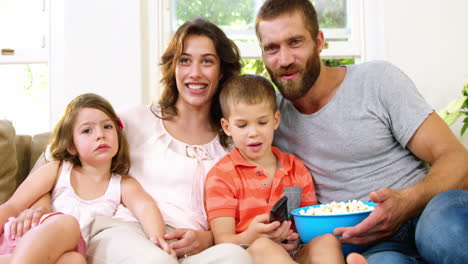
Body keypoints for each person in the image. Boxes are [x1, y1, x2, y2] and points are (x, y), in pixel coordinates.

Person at [8, 18, 253, 264]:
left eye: (207, 61)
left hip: (190, 251)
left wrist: (208, 238)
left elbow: (243, 216)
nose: (195, 72)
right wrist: (41, 205)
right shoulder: (136, 119)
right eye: (184, 60)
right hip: (127, 234)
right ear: (173, 67)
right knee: (157, 262)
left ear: (222, 71)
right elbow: (57, 159)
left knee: (235, 256)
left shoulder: (234, 143)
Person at [254, 0, 468, 263]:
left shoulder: (377, 80)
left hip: (427, 209)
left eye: (295, 42)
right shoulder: (267, 118)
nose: (284, 59)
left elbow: (458, 158)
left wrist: (407, 201)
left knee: (448, 232)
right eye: (271, 48)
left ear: (319, 42)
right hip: (374, 245)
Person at [205, 74, 367, 264]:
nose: (253, 132)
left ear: (275, 120)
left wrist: (294, 238)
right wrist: (252, 236)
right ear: (227, 127)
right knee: (265, 247)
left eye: (262, 122)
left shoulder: (296, 168)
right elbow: (223, 241)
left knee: (326, 242)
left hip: (293, 253)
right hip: (249, 254)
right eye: (242, 125)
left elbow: (307, 225)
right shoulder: (221, 176)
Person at [0, 93, 175, 264]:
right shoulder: (58, 170)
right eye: (87, 130)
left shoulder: (122, 184)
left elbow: (145, 207)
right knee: (67, 224)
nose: (100, 134)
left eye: (107, 126)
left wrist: (157, 238)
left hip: (67, 253)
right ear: (71, 146)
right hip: (26, 240)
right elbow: (13, 205)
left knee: (75, 260)